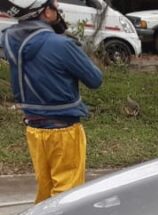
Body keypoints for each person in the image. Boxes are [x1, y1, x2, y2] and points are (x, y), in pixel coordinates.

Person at [0, 0, 102, 203]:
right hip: (64, 131)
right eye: (54, 5)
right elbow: (95, 79)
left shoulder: (9, 39)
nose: (58, 8)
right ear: (46, 12)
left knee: (45, 191)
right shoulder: (61, 45)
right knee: (67, 196)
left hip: (34, 129)